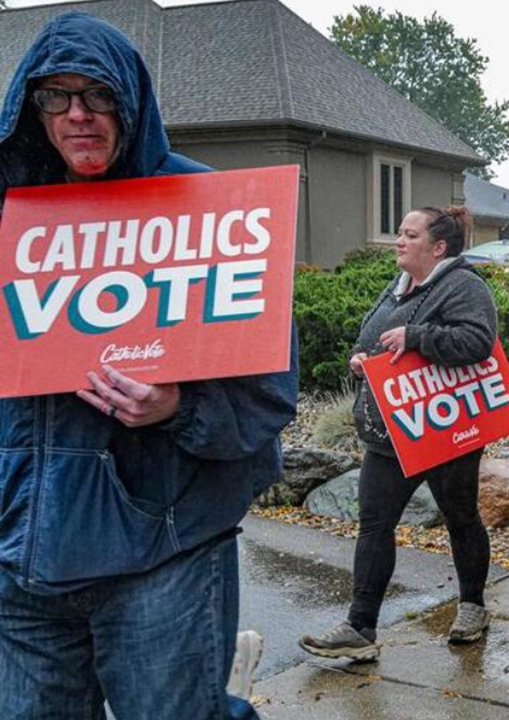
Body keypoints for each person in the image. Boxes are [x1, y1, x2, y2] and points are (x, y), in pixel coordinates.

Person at [0, 14, 298, 720]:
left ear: (129, 102)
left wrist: (178, 407)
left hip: (161, 556)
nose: (78, 115)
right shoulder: (10, 211)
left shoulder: (211, 211)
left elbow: (268, 396)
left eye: (97, 95)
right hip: (20, 564)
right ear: (31, 107)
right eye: (57, 97)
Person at [300, 206, 498, 659]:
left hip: (442, 429)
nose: (399, 241)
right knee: (375, 524)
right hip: (391, 431)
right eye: (401, 234)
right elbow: (375, 334)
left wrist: (418, 336)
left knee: (461, 518)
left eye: (409, 235)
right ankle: (360, 628)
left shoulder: (465, 286)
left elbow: (477, 341)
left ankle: (472, 605)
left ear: (438, 247)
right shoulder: (400, 284)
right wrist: (360, 356)